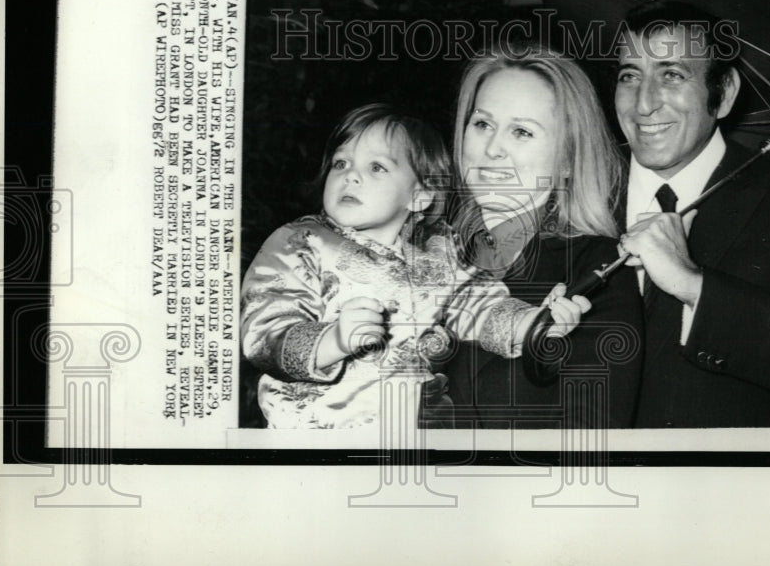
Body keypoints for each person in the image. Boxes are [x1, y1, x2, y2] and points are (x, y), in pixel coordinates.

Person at [240, 103, 586, 429]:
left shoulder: (437, 250)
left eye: (376, 167)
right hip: (316, 431)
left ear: (419, 196)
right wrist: (334, 340)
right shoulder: (301, 242)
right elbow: (264, 329)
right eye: (341, 163)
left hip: (413, 429)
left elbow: (475, 303)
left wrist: (534, 325)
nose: (351, 177)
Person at [615, 0, 770, 427]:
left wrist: (694, 285)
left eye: (672, 75)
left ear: (725, 92)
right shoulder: (580, 186)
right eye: (629, 76)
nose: (643, 104)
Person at [438, 45, 645, 429]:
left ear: (567, 161)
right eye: (482, 123)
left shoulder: (598, 270)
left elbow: (591, 442)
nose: (492, 148)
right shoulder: (425, 247)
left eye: (521, 131)